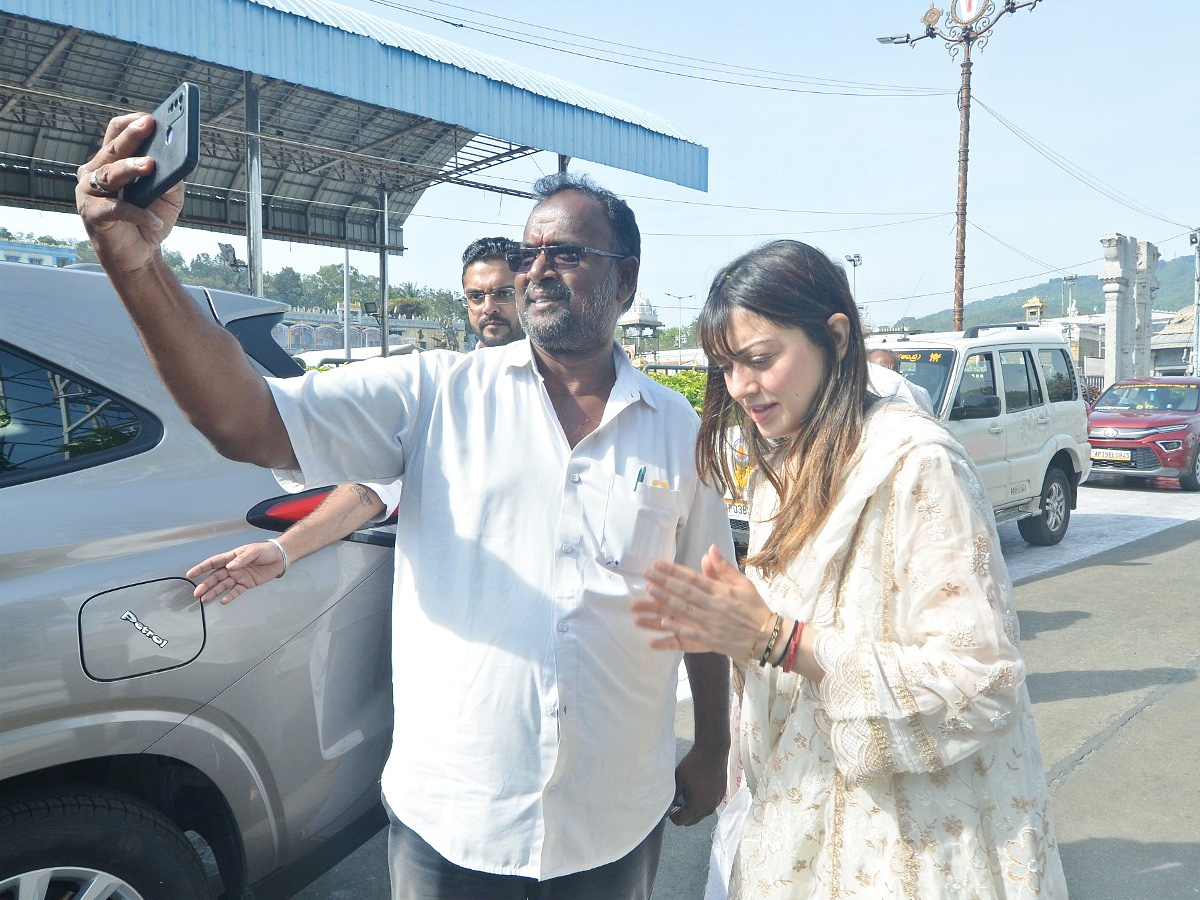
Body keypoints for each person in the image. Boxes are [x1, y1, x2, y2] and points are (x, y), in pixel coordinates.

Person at [76, 112, 734, 900]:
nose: (538, 271)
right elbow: (248, 420)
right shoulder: (435, 393)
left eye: (568, 253)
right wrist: (138, 266)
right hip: (453, 820)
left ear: (625, 281)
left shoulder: (677, 429)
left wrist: (713, 745)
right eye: (530, 254)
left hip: (613, 817)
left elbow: (707, 607)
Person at [632, 240, 1067, 899]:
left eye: (759, 359)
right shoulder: (782, 470)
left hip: (911, 846)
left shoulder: (918, 465)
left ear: (835, 338)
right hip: (803, 830)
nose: (740, 387)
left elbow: (980, 685)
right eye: (725, 367)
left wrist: (780, 639)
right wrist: (733, 628)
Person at [188, 236, 524, 601]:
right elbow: (370, 489)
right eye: (476, 296)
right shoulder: (435, 386)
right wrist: (285, 549)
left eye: (503, 293)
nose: (488, 307)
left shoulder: (581, 393)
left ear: (531, 292)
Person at [868, 347, 935, 414]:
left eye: (894, 372)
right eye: (882, 372)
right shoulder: (861, 400)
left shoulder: (918, 398)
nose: (889, 377)